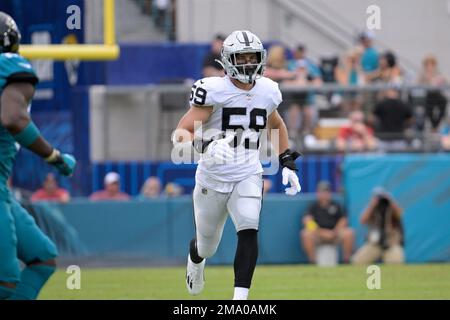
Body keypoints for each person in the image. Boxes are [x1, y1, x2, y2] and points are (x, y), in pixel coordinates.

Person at [172, 30, 301, 300]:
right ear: (228, 60)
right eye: (241, 58)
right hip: (212, 176)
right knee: (208, 245)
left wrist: (286, 161)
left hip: (248, 172)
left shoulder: (267, 90)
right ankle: (196, 260)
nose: (247, 63)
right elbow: (180, 133)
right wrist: (204, 145)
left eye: (252, 57)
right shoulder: (213, 90)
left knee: (249, 225)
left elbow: (275, 123)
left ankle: (239, 300)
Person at [0, 12, 76, 300]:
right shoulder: (11, 65)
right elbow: (13, 118)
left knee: (42, 257)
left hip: (3, 190)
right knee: (4, 283)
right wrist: (55, 157)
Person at [301, 181, 354, 264]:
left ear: (330, 193)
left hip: (335, 234)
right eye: (322, 192)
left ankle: (346, 261)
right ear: (317, 193)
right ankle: (312, 262)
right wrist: (321, 232)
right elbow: (307, 221)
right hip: (318, 235)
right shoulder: (313, 207)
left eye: (326, 192)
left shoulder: (336, 205)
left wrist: (334, 232)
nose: (324, 194)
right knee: (306, 234)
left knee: (349, 233)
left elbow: (343, 220)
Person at [352, 188, 405, 264]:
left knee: (395, 262)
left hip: (391, 242)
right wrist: (372, 205)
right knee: (357, 261)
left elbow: (400, 214)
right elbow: (362, 220)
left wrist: (390, 200)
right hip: (375, 243)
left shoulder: (391, 208)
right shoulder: (372, 208)